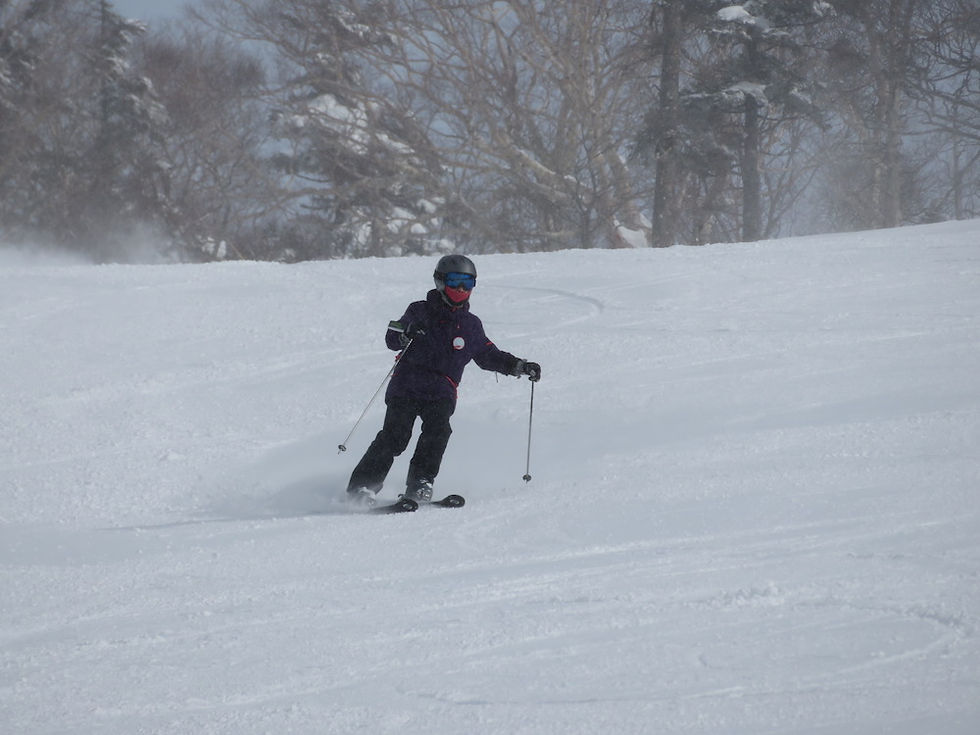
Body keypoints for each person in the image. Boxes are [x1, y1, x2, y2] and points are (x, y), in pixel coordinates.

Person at [346, 254, 541, 505]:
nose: (461, 289)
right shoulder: (418, 310)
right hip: (408, 384)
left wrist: (519, 366)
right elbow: (392, 334)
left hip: (442, 390)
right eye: (455, 281)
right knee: (395, 435)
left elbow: (488, 355)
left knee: (438, 431)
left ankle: (420, 483)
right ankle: (362, 487)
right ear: (440, 282)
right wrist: (406, 333)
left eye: (468, 283)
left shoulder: (470, 325)